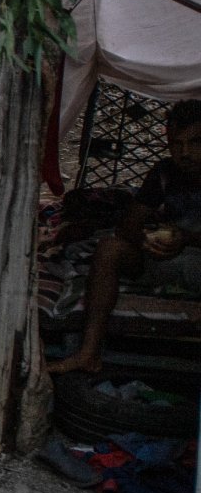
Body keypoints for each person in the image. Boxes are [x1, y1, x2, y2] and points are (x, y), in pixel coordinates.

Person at [48, 99, 201, 373]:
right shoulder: (165, 172)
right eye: (177, 144)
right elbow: (128, 225)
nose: (185, 153)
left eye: (195, 143)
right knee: (109, 248)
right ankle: (89, 354)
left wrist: (187, 239)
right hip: (166, 261)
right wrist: (147, 240)